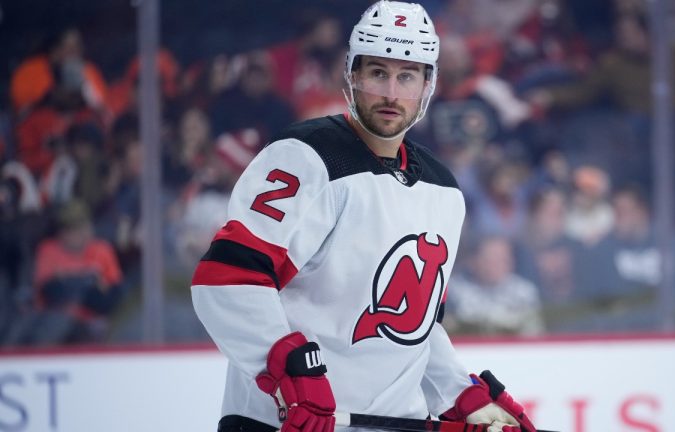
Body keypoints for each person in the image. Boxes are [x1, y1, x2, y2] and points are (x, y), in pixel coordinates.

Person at [191, 2, 537, 432]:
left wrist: (459, 394)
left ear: (428, 85)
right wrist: (287, 371)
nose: (391, 93)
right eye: (377, 73)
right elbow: (227, 280)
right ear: (352, 76)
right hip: (285, 422)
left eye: (406, 76)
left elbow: (413, 331)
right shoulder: (305, 157)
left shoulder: (444, 190)